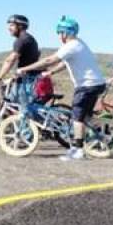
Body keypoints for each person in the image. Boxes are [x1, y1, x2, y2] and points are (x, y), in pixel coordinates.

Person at [17, 16, 107, 161]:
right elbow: (66, 62)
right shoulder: (78, 44)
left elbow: (49, 60)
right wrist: (51, 72)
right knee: (83, 116)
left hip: (87, 85)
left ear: (65, 32)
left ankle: (78, 150)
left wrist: (24, 69)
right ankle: (88, 139)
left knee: (77, 117)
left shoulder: (71, 45)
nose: (59, 36)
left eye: (59, 33)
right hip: (94, 83)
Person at [0, 15, 41, 126]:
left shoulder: (22, 40)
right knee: (11, 101)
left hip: (26, 80)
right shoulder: (28, 38)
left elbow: (11, 60)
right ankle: (20, 128)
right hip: (23, 78)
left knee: (24, 108)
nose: (9, 28)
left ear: (20, 26)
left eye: (12, 25)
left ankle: (26, 136)